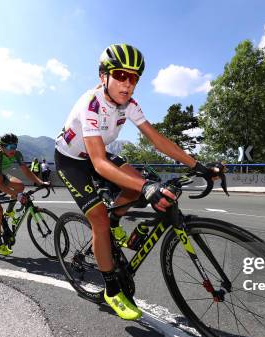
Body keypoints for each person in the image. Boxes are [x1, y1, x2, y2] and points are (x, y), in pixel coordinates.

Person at [55, 44, 221, 320]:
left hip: (98, 153)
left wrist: (197, 165)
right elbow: (97, 163)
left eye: (133, 78)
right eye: (120, 75)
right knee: (99, 217)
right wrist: (147, 188)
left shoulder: (129, 105)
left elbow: (156, 139)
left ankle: (116, 220)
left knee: (138, 184)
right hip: (73, 161)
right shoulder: (91, 104)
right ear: (103, 76)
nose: (127, 83)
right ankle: (110, 288)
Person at [0, 134, 49, 255]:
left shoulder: (17, 154)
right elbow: (0, 185)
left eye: (15, 146)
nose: (13, 149)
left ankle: (9, 211)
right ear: (2, 147)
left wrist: (41, 182)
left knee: (20, 186)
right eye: (10, 147)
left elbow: (26, 170)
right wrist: (18, 196)